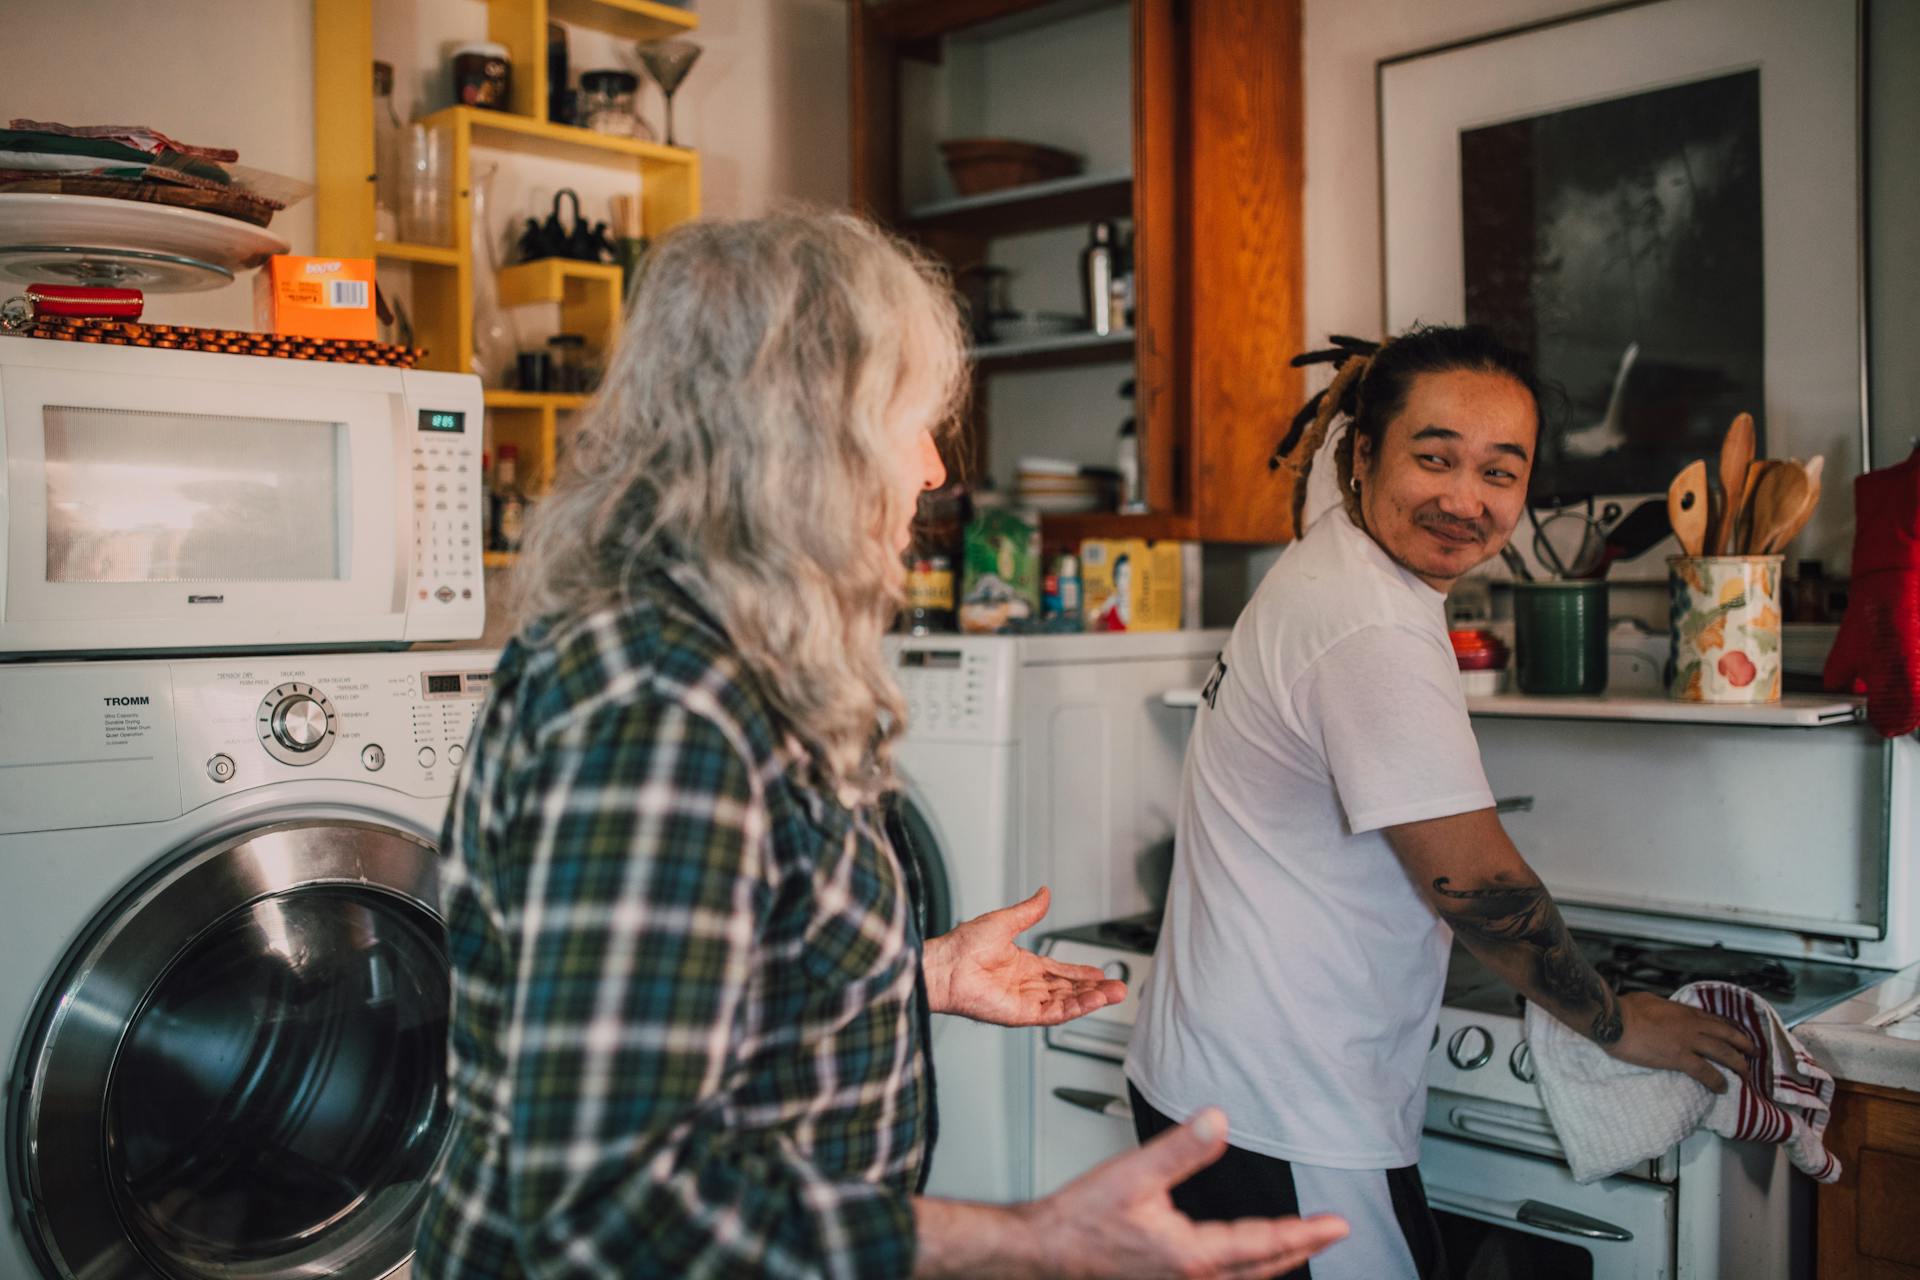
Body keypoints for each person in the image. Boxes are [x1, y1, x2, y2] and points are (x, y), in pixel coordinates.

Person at [412, 211, 1348, 1280]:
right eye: (913, 421)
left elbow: (718, 984)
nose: (936, 468)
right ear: (811, 433)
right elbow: (613, 1207)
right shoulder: (666, 707)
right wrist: (1031, 1241)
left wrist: (916, 973)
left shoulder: (732, 655)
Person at [1124, 326, 1757, 1279]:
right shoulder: (1371, 624)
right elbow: (1473, 885)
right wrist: (1620, 1021)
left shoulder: (1333, 554)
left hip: (1207, 1075)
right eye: (1435, 457)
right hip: (1284, 1109)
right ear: (1364, 452)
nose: (1467, 500)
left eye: (1502, 472)